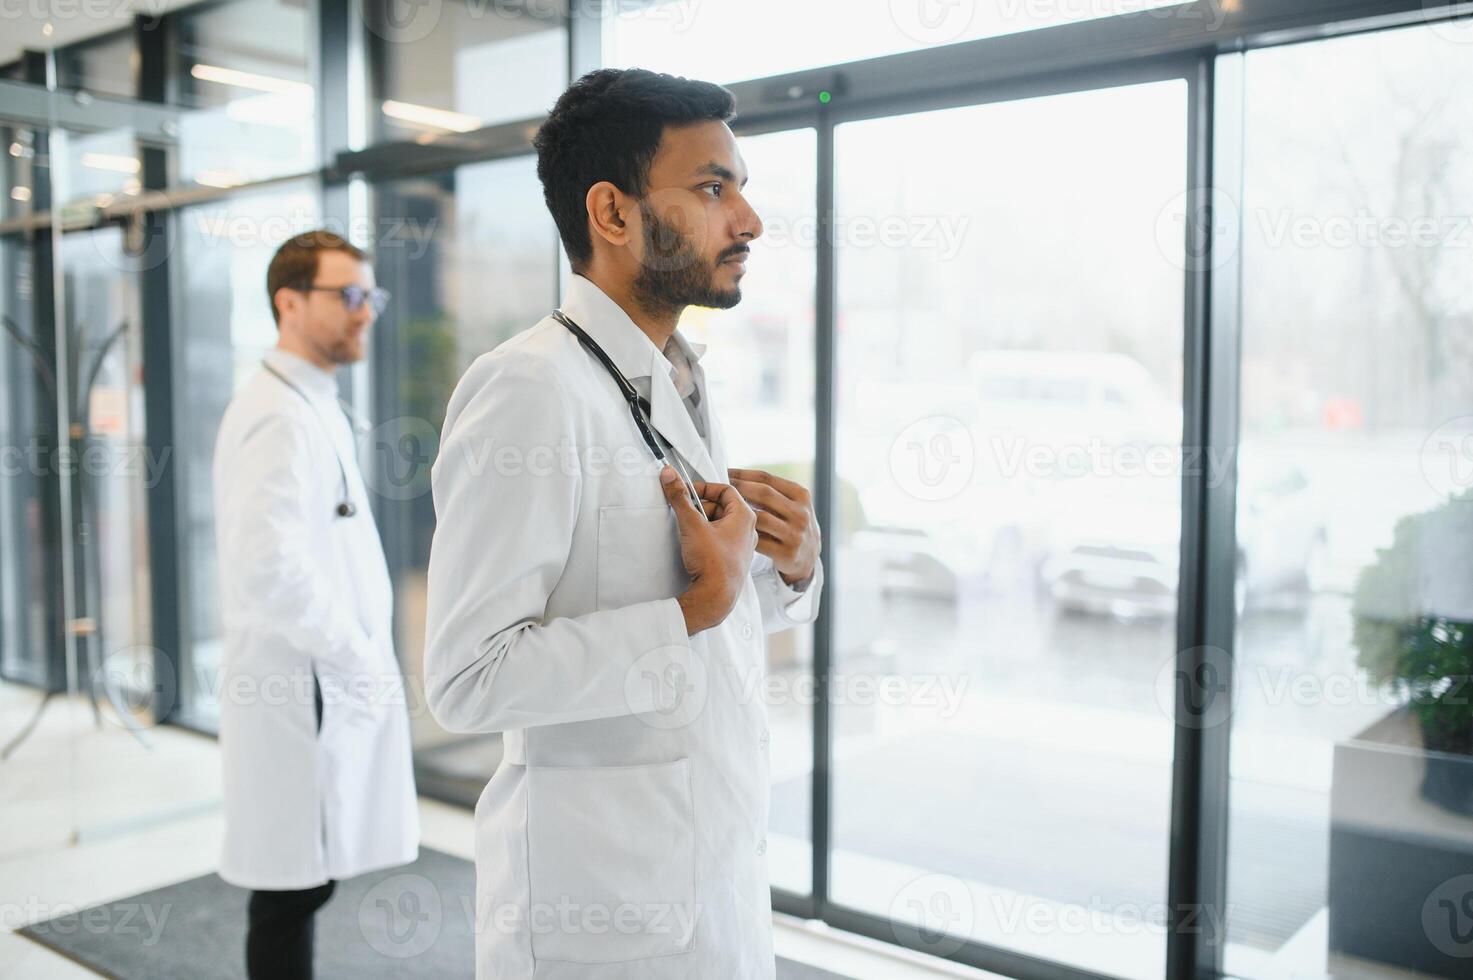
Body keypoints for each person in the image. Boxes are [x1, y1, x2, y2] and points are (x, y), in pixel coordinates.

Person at [422, 68, 824, 979]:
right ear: (612, 212)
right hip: (597, 918)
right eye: (713, 188)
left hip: (703, 886)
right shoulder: (528, 388)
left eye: (743, 190)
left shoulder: (672, 376)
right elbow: (466, 680)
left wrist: (790, 570)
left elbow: (694, 603)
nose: (749, 221)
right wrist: (691, 612)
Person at [212, 230, 419, 979]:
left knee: (302, 881)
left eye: (372, 296)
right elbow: (268, 565)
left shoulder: (309, 401)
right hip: (304, 686)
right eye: (350, 296)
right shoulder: (278, 415)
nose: (366, 312)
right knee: (288, 889)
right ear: (289, 303)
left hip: (320, 683)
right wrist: (356, 654)